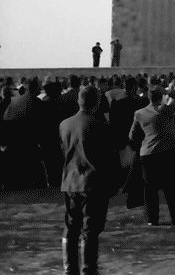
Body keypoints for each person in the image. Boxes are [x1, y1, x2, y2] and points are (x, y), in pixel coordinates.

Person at [58, 86, 119, 275]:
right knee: (90, 230)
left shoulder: (64, 124)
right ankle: (89, 269)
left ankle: (70, 268)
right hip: (93, 182)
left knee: (71, 227)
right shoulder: (100, 124)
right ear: (97, 102)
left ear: (79, 101)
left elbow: (63, 152)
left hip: (70, 181)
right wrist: (114, 183)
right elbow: (110, 158)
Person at [129, 86, 175, 226]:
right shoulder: (165, 110)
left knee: (150, 189)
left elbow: (133, 135)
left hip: (147, 153)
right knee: (172, 188)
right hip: (165, 152)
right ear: (160, 98)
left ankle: (151, 218)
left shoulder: (139, 113)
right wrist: (168, 91)